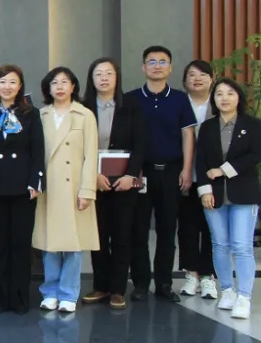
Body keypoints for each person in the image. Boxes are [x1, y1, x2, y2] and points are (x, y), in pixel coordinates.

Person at [126, 46, 196, 303]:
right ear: (143, 67)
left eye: (162, 62)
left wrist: (186, 169)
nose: (157, 66)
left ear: (170, 67)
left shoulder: (180, 99)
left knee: (167, 230)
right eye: (152, 61)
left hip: (171, 172)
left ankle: (164, 283)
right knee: (138, 231)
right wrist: (131, 170)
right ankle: (141, 283)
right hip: (140, 173)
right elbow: (125, 137)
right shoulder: (131, 99)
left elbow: (188, 135)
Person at [81, 58, 146, 310]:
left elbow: (140, 144)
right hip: (94, 180)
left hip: (124, 181)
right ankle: (101, 285)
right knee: (97, 235)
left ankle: (118, 289)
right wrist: (93, 175)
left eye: (109, 73)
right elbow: (78, 148)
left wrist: (131, 175)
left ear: (117, 77)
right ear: (91, 79)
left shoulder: (131, 105)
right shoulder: (83, 107)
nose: (104, 78)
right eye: (98, 74)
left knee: (122, 236)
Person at [34, 67, 99, 313]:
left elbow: (91, 155)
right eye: (54, 82)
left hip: (74, 187)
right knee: (49, 242)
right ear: (48, 88)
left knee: (73, 243)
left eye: (64, 82)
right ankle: (50, 291)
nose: (59, 86)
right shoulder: (41, 115)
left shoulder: (84, 115)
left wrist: (87, 190)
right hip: (48, 187)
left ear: (73, 86)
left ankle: (69, 293)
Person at [197, 78, 261, 320]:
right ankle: (227, 290)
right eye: (219, 94)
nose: (224, 98)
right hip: (214, 195)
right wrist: (204, 190)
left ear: (239, 97)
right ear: (213, 99)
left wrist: (224, 170)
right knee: (220, 244)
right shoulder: (207, 127)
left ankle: (244, 296)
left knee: (242, 246)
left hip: (244, 193)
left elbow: (255, 155)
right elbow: (200, 161)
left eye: (230, 93)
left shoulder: (252, 125)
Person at [0, 64, 44, 315]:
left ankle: (20, 298)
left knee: (21, 244)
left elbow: (37, 150)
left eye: (12, 82)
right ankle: (0, 298)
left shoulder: (31, 114)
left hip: (23, 188)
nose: (7, 87)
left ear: (20, 86)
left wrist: (35, 181)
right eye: (2, 82)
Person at [180, 59, 217, 299]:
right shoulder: (180, 103)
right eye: (192, 74)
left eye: (203, 74)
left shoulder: (219, 103)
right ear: (185, 80)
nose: (197, 78)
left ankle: (208, 275)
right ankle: (191, 273)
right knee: (187, 227)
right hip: (185, 176)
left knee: (212, 228)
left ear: (212, 79)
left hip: (213, 177)